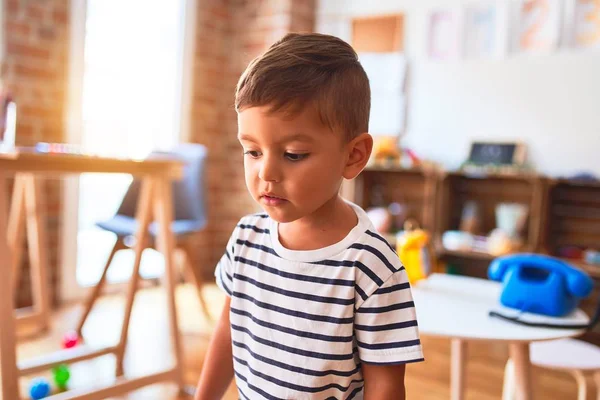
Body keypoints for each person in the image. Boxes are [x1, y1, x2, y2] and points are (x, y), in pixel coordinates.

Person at [194, 32, 423, 400]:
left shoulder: (373, 267)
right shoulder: (246, 239)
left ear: (353, 156)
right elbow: (228, 331)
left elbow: (386, 385)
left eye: (294, 154)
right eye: (252, 151)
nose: (266, 173)